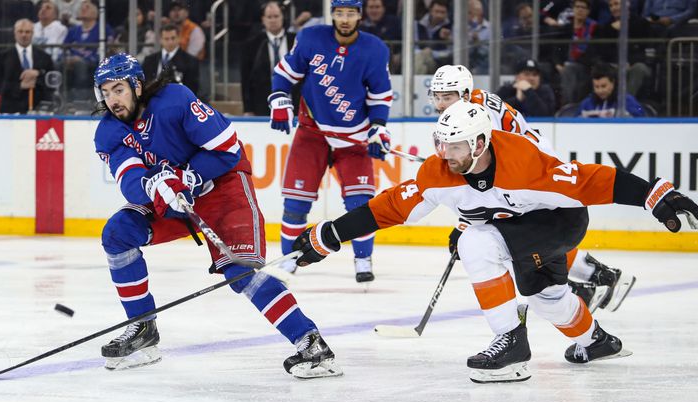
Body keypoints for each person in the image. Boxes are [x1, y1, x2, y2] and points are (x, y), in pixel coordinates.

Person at [292, 99, 698, 383]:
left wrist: (655, 195)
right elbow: (387, 209)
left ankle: (512, 344)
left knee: (476, 242)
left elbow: (594, 180)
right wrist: (329, 235)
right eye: (442, 143)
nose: (445, 153)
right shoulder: (438, 172)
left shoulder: (525, 164)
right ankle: (596, 342)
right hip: (517, 230)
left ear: (481, 143)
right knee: (548, 298)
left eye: (455, 145)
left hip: (559, 224)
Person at [91, 53, 341, 378]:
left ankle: (312, 345)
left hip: (222, 188)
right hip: (173, 197)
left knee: (240, 272)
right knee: (117, 233)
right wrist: (154, 184)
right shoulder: (108, 132)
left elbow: (227, 149)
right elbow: (129, 180)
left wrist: (191, 177)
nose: (112, 100)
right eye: (105, 92)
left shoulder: (175, 100)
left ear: (137, 85)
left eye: (118, 89)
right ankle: (142, 329)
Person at [429, 64, 636, 313]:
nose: (440, 104)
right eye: (437, 96)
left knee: (508, 242)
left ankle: (580, 291)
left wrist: (465, 223)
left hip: (532, 175)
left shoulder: (477, 115)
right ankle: (601, 276)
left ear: (463, 94)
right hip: (528, 169)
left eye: (447, 97)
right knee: (522, 240)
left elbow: (486, 177)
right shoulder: (472, 104)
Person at [268, 0, 393, 282]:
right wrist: (278, 97)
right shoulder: (311, 38)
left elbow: (379, 97)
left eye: (351, 13)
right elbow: (285, 73)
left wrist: (378, 128)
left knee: (361, 202)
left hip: (353, 139)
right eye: (340, 13)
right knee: (295, 204)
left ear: (359, 15)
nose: (345, 19)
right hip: (312, 133)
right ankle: (290, 259)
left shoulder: (375, 50)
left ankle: (363, 260)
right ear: (332, 15)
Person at [241, 1, 296, 116]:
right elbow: (246, 79)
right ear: (263, 19)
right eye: (269, 17)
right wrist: (248, 108)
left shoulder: (296, 41)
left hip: (294, 103)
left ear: (283, 17)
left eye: (276, 16)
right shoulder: (252, 44)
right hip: (263, 105)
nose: (273, 20)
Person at [0, 19, 54, 114]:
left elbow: (51, 80)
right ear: (15, 33)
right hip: (10, 110)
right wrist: (19, 86)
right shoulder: (2, 57)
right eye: (20, 31)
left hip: (38, 109)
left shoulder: (44, 57)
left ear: (32, 33)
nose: (24, 35)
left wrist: (38, 74)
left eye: (27, 32)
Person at [63, 1, 115, 100]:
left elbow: (107, 50)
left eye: (87, 7)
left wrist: (83, 58)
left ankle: (81, 99)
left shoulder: (103, 29)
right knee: (59, 64)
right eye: (81, 7)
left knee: (81, 65)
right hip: (72, 62)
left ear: (95, 13)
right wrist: (68, 58)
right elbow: (64, 48)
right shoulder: (73, 30)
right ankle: (62, 99)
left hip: (93, 63)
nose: (83, 9)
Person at [142, 24, 200, 97]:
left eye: (173, 38)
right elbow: (144, 84)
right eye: (166, 39)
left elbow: (192, 90)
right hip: (152, 102)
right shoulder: (149, 60)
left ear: (179, 38)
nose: (170, 42)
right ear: (160, 40)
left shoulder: (191, 61)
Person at [575, 63, 646, 117]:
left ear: (613, 83)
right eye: (596, 87)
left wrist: (628, 115)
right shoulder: (587, 103)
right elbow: (575, 121)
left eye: (603, 86)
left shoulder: (627, 100)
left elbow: (640, 112)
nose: (600, 90)